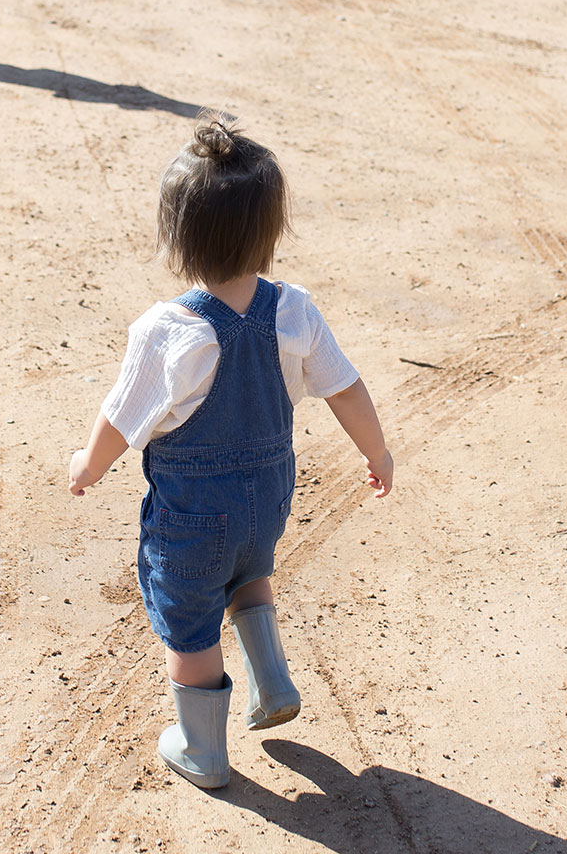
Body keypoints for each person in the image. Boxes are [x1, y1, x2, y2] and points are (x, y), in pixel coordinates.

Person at [68, 114, 393, 789]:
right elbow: (346, 388)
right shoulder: (294, 309)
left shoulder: (170, 331)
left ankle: (202, 751)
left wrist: (87, 466)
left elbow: (120, 419)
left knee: (189, 627)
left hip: (194, 516)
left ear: (176, 234)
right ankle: (270, 680)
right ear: (270, 229)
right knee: (249, 569)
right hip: (269, 498)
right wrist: (378, 451)